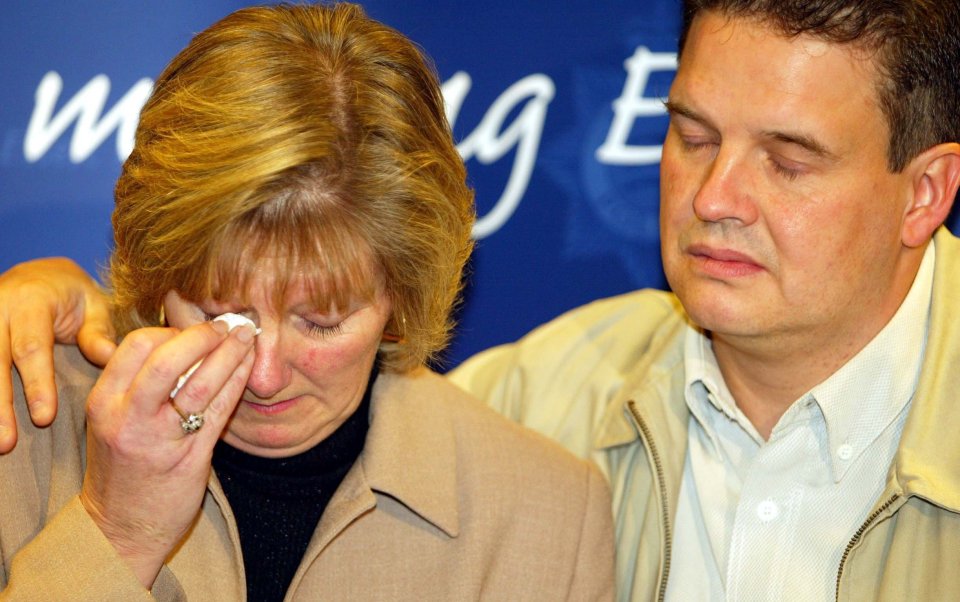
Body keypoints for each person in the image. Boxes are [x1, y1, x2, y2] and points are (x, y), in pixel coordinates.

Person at [3, 0, 960, 600]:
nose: (711, 200)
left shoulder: (536, 478)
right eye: (694, 136)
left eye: (788, 161)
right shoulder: (550, 390)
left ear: (925, 192)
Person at [0, 4, 615, 600]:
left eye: (322, 322)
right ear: (157, 275)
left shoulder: (549, 515)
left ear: (401, 297)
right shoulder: (22, 427)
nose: (263, 377)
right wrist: (115, 534)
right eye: (222, 316)